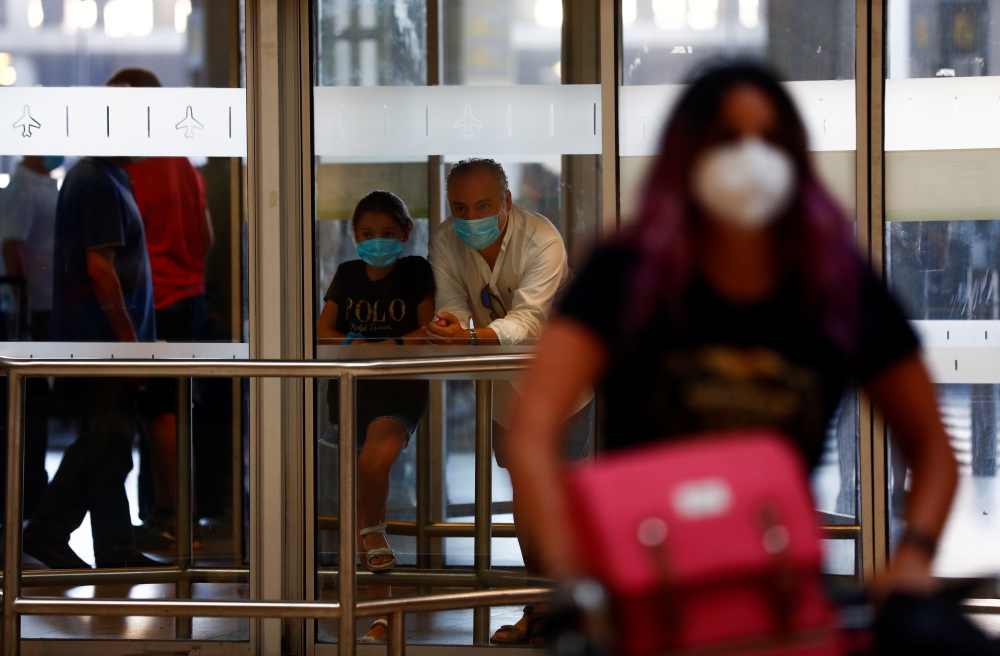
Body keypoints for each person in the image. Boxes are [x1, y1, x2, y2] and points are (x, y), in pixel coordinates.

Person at [504, 63, 958, 621]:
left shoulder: (837, 284)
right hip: (646, 595)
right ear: (687, 153)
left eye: (769, 139)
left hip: (777, 599)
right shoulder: (623, 273)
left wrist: (915, 556)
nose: (750, 157)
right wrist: (573, 573)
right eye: (726, 139)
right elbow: (532, 431)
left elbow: (933, 449)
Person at [424, 158, 594, 644]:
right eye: (459, 206)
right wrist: (454, 326)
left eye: (482, 206)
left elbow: (529, 320)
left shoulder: (543, 240)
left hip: (564, 386)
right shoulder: (444, 239)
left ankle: (574, 611)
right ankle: (539, 608)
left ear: (506, 203)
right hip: (505, 385)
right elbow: (453, 304)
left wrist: (471, 335)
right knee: (525, 498)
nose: (469, 216)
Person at [22, 145, 159, 568]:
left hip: (101, 336)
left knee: (107, 444)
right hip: (102, 339)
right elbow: (100, 268)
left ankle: (100, 543)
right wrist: (128, 344)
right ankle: (59, 533)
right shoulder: (98, 181)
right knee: (107, 440)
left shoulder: (102, 177)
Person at [104, 67, 215, 549]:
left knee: (160, 416)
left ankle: (172, 514)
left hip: (157, 304)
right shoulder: (182, 161)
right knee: (176, 411)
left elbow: (120, 250)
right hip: (191, 295)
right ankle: (173, 511)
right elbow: (208, 237)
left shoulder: (133, 167)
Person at [316, 190, 435, 643]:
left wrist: (376, 347)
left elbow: (426, 332)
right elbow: (323, 333)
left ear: (405, 233)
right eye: (367, 234)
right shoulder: (348, 273)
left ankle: (372, 540)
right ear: (354, 235)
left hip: (399, 390)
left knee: (373, 468)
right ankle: (380, 615)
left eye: (388, 233)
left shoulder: (415, 270)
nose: (377, 242)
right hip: (350, 391)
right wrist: (361, 348)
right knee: (366, 505)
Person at [0, 154, 62, 522]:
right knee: (29, 403)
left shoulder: (43, 183)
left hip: (44, 305)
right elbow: (12, 248)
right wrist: (23, 307)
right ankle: (24, 489)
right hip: (31, 308)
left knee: (38, 403)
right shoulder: (22, 188)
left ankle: (32, 486)